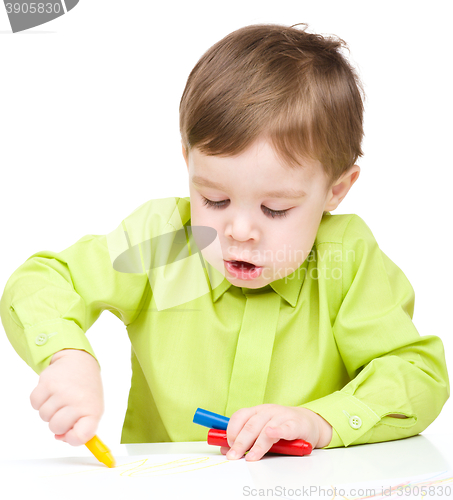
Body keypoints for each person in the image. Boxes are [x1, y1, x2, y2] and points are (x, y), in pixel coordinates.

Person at [0, 23, 449, 462]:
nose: (239, 231)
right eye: (214, 199)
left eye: (275, 209)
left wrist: (319, 421)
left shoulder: (345, 257)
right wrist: (67, 357)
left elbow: (417, 375)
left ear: (336, 189)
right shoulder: (168, 239)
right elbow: (43, 280)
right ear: (188, 163)